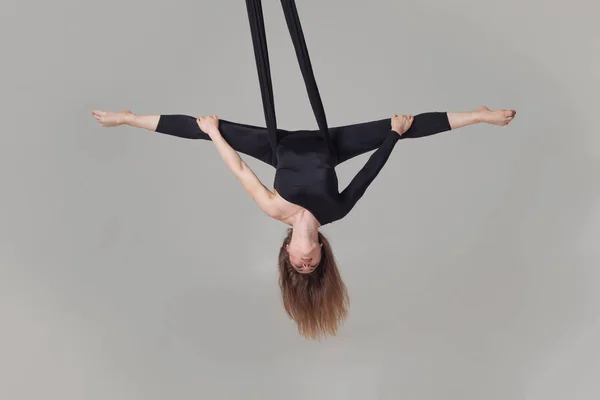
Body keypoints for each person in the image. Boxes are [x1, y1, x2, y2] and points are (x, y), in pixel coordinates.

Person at [92, 106, 515, 338]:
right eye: (312, 266)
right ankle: (479, 116)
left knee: (204, 127)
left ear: (289, 252)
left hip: (279, 149)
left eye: (298, 265)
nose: (305, 264)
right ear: (321, 252)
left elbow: (240, 171)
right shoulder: (336, 211)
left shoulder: (274, 208)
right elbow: (367, 175)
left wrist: (216, 133)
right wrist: (393, 138)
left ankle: (127, 118)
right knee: (401, 124)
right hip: (330, 148)